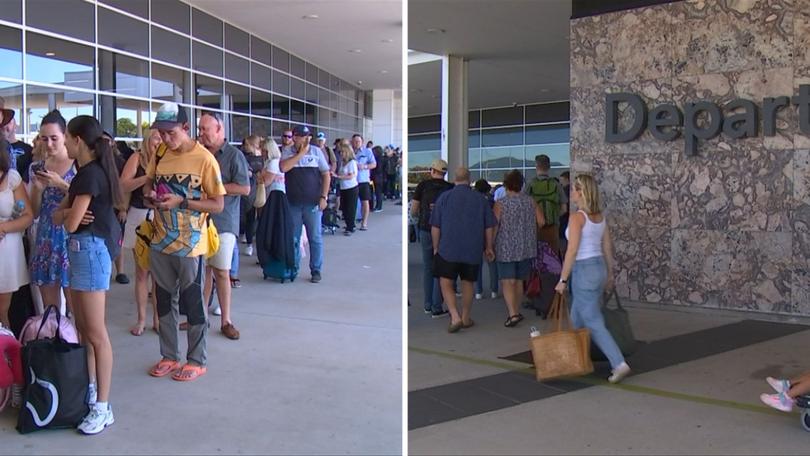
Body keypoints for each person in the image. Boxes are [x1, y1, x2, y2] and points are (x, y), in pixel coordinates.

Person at [143, 102, 225, 382]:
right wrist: (150, 196)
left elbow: (218, 204)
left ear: (186, 128)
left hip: (191, 244)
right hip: (160, 239)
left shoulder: (205, 159)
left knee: (193, 302)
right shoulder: (161, 152)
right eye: (161, 133)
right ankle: (169, 355)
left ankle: (196, 359)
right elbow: (148, 183)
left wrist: (183, 201)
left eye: (171, 132)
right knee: (164, 302)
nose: (165, 138)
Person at [53, 115, 122, 434]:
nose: (63, 142)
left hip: (91, 254)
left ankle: (103, 406)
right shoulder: (83, 175)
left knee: (96, 333)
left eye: (66, 137)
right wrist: (69, 213)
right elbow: (59, 217)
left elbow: (67, 223)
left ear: (78, 140)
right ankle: (92, 390)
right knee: (83, 330)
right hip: (82, 253)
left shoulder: (90, 176)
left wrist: (69, 215)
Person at [554, 174, 630, 383]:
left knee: (593, 321)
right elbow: (607, 247)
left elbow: (572, 250)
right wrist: (610, 273)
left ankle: (618, 363)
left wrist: (562, 279)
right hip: (598, 268)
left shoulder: (577, 218)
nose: (571, 193)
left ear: (581, 192)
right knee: (577, 315)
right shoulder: (599, 217)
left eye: (573, 190)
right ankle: (575, 360)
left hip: (583, 269)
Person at [198, 111, 250, 341]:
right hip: (199, 221)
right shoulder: (199, 154)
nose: (200, 134)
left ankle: (226, 320)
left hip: (224, 222)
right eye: (199, 130)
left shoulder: (233, 155)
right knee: (203, 271)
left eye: (204, 130)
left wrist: (215, 188)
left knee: (221, 271)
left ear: (219, 130)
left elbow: (244, 188)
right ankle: (200, 317)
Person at [430, 167, 496, 332]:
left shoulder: (444, 197)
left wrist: (436, 246)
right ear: (470, 179)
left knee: (445, 281)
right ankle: (466, 317)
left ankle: (454, 316)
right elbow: (489, 226)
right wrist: (488, 246)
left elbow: (435, 226)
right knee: (468, 283)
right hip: (472, 249)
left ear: (454, 178)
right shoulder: (480, 199)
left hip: (447, 248)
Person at [28, 110, 75, 315]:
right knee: (50, 310)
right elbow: (35, 212)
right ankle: (56, 344)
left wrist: (61, 184)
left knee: (77, 309)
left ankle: (79, 346)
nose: (48, 144)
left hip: (71, 235)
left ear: (65, 136)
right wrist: (37, 191)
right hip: (46, 236)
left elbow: (87, 199)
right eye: (44, 138)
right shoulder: (37, 167)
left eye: (54, 138)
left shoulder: (79, 165)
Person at [120, 129, 161, 336]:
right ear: (147, 139)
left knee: (160, 274)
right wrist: (146, 177)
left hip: (161, 217)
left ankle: (157, 319)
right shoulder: (137, 157)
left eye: (163, 136)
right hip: (139, 215)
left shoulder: (168, 158)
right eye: (156, 137)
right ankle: (142, 319)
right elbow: (123, 184)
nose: (160, 140)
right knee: (142, 272)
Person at [280, 125, 330, 283]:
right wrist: (300, 154)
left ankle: (316, 269)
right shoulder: (288, 152)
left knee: (315, 237)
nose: (306, 139)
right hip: (294, 202)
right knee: (294, 237)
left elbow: (326, 174)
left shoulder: (316, 152)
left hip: (313, 202)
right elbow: (284, 167)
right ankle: (293, 267)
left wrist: (324, 196)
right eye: (302, 136)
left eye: (307, 136)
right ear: (295, 137)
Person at [493, 170, 543, 327]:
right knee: (520, 281)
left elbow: (494, 226)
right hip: (526, 247)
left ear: (506, 185)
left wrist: (489, 246)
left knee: (508, 281)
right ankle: (517, 310)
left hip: (506, 247)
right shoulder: (531, 201)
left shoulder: (500, 204)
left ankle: (512, 313)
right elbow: (542, 221)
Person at [410, 159, 453, 318]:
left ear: (432, 170)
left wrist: (418, 219)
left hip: (425, 229)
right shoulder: (450, 188)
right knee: (440, 268)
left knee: (428, 267)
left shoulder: (423, 186)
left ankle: (427, 304)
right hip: (444, 231)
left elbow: (414, 209)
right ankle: (437, 306)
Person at [0, 133, 33, 329]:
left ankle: (6, 355)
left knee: (3, 310)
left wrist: (3, 227)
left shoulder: (12, 178)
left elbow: (27, 216)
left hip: (7, 251)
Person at [525, 154, 567, 254]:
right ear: (549, 167)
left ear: (536, 166)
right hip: (553, 228)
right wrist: (554, 216)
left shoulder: (530, 184)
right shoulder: (556, 184)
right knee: (552, 260)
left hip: (534, 228)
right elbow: (564, 209)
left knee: (536, 260)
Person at [473, 179, 498, 300]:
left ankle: (479, 291)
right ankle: (494, 290)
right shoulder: (491, 201)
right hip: (491, 232)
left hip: (476, 233)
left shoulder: (473, 200)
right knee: (492, 262)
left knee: (477, 264)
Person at [241, 135, 265, 257]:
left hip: (260, 189)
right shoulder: (245, 157)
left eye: (247, 145)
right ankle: (249, 241)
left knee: (258, 216)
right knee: (249, 216)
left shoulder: (263, 157)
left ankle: (254, 241)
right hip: (250, 190)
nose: (245, 147)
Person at [351, 134, 376, 231]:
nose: (356, 143)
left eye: (358, 141)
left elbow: (374, 164)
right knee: (352, 203)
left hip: (363, 180)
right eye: (354, 141)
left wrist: (364, 166)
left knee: (365, 202)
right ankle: (351, 223)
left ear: (362, 142)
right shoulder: (350, 152)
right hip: (351, 181)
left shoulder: (367, 152)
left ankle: (364, 223)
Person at [335, 141, 358, 235]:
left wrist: (339, 177)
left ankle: (351, 226)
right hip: (343, 187)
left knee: (350, 208)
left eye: (342, 152)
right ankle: (349, 224)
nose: (341, 154)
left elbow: (351, 176)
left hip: (351, 187)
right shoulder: (342, 163)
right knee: (344, 207)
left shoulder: (352, 163)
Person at [371, 145, 385, 212]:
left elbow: (378, 168)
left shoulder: (378, 159)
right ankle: (378, 206)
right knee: (377, 192)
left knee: (378, 192)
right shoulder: (381, 158)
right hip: (379, 177)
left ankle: (379, 206)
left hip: (378, 177)